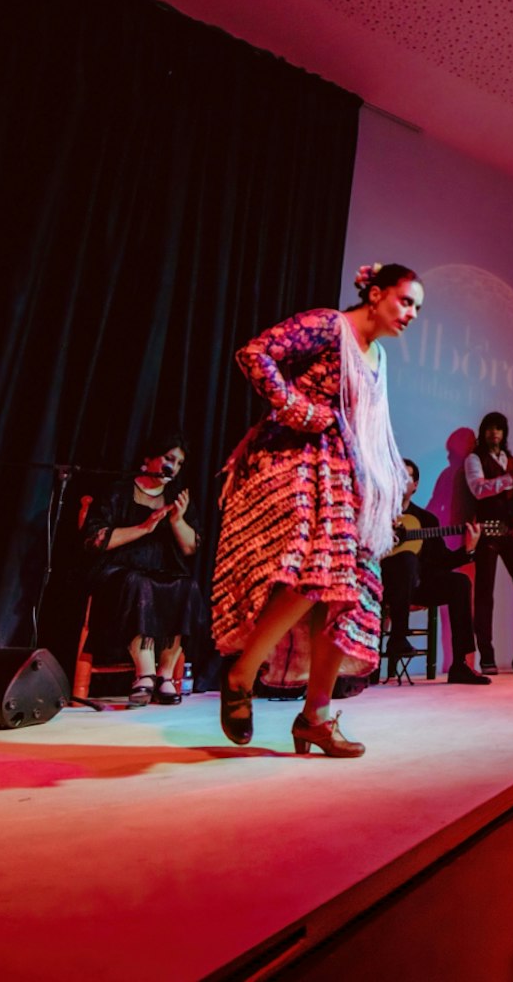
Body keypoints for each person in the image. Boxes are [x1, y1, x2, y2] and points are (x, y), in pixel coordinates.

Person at [210, 263, 418, 757]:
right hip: (294, 461)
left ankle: (315, 717)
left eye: (417, 307)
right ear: (375, 293)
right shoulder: (330, 325)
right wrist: (301, 409)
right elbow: (255, 354)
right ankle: (241, 675)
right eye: (405, 300)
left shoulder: (379, 357)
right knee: (318, 574)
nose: (411, 313)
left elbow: (366, 430)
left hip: (342, 474)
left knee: (346, 591)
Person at [80, 432, 202, 706]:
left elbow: (191, 548)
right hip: (118, 571)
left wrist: (178, 521)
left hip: (162, 571)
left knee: (187, 585)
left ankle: (165, 676)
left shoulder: (177, 497)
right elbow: (95, 540)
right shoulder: (119, 491)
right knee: (138, 583)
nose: (174, 467)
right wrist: (144, 528)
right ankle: (144, 673)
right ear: (148, 459)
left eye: (179, 463)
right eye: (169, 459)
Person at [380, 459, 488, 685]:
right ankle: (398, 637)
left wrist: (468, 550)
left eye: (407, 477)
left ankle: (460, 665)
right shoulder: (377, 515)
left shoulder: (427, 521)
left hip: (419, 586)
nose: (401, 481)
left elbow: (442, 561)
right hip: (383, 585)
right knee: (407, 558)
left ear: (416, 485)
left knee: (460, 582)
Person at [464, 411, 513, 674]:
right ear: (483, 432)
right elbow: (478, 489)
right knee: (485, 593)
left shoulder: (511, 460)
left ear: (504, 433)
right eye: (490, 428)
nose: (494, 433)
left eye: (499, 429)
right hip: (488, 532)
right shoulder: (474, 459)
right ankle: (487, 656)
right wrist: (511, 477)